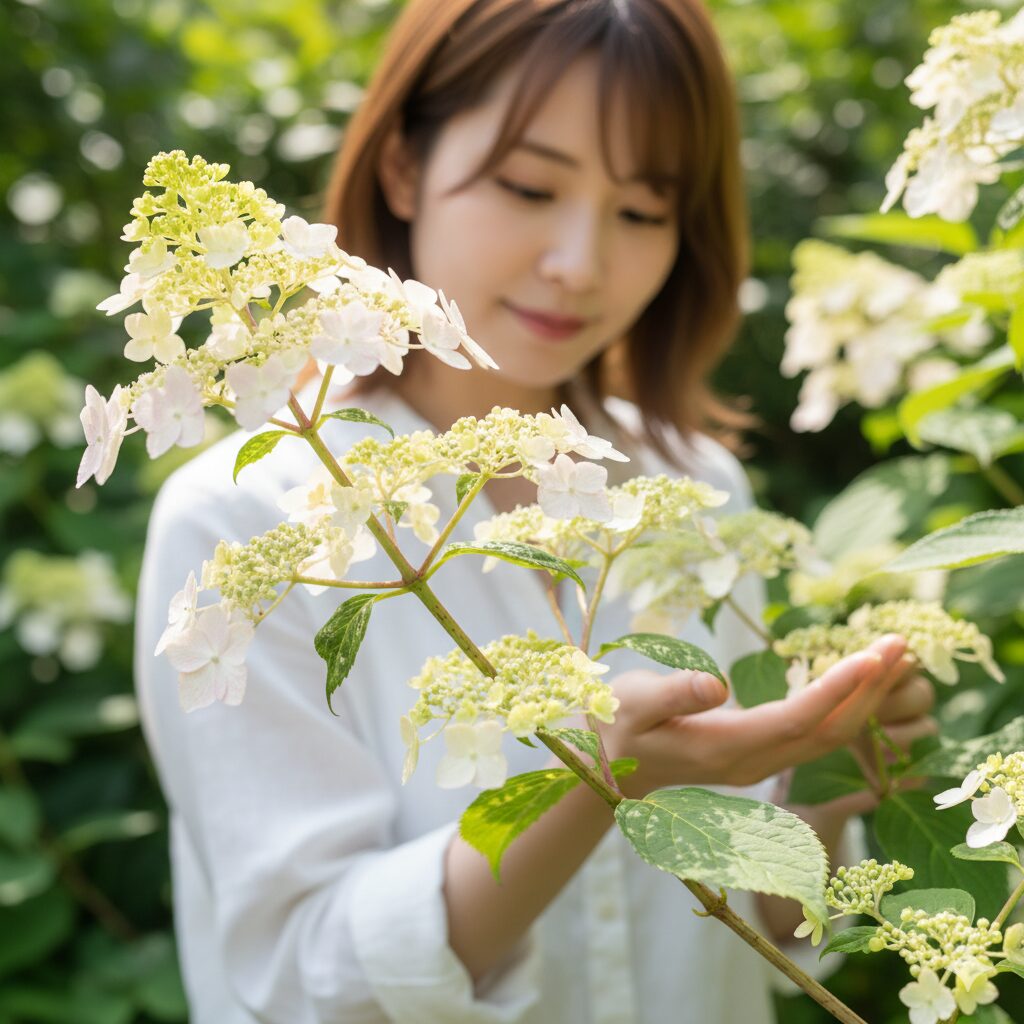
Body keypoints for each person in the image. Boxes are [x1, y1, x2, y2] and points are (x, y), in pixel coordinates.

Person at [134, 1, 937, 1021]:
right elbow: (300, 976)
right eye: (528, 186)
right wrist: (603, 781)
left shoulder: (689, 489)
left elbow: (779, 922)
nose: (580, 262)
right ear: (403, 168)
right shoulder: (241, 521)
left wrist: (833, 751)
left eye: (642, 211)